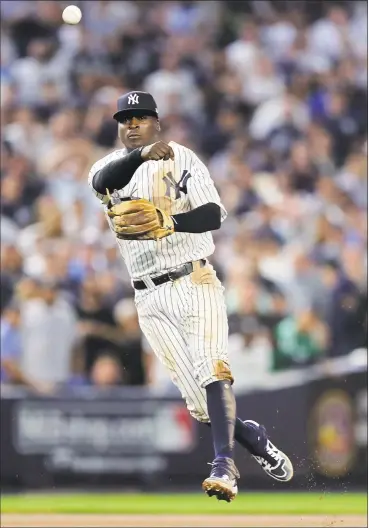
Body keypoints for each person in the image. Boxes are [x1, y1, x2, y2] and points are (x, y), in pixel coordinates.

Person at [88, 90, 293, 502]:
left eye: (142, 118)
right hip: (147, 298)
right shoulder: (108, 167)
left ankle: (224, 465)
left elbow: (214, 214)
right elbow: (101, 183)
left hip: (193, 280)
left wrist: (169, 220)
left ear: (157, 122)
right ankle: (251, 435)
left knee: (212, 367)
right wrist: (140, 158)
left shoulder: (184, 158)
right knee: (201, 407)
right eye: (126, 119)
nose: (133, 125)